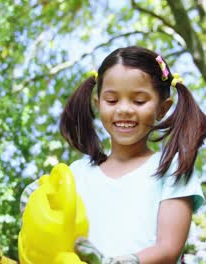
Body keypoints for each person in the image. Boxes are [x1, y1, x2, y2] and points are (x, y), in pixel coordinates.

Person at [21, 46, 205, 263]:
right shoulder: (77, 173)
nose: (124, 109)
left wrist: (122, 262)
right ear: (98, 105)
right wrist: (36, 205)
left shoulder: (171, 169)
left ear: (163, 108)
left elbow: (168, 248)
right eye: (112, 100)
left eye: (139, 101)